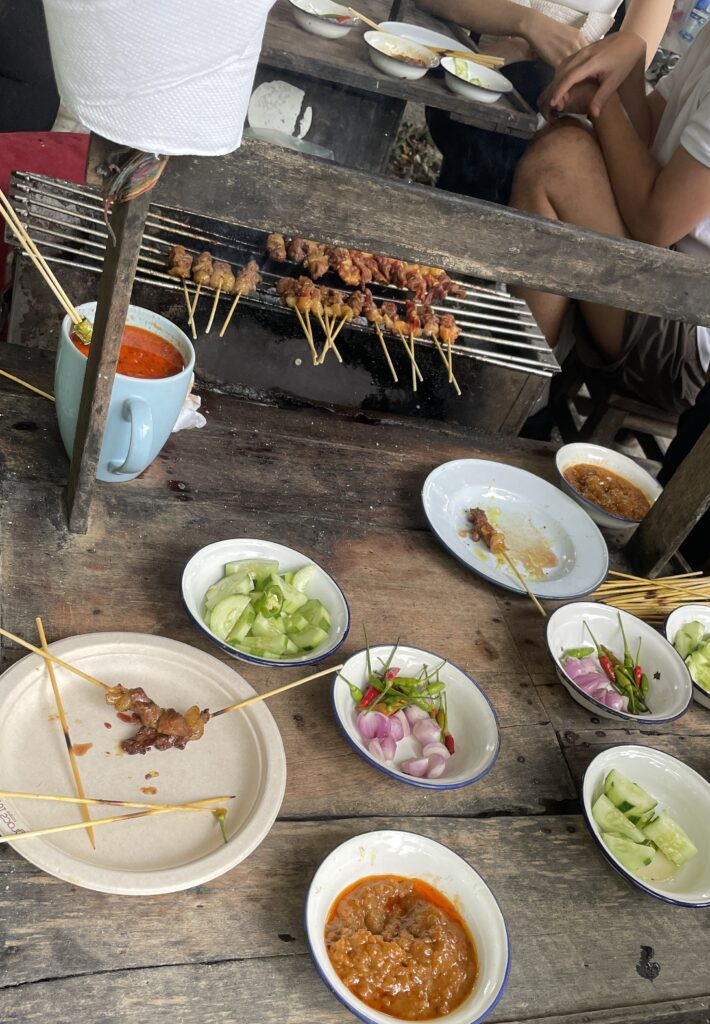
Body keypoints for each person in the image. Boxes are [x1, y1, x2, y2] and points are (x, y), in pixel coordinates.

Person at [509, 24, 710, 414]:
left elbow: (655, 222)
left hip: (687, 332)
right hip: (664, 276)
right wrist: (629, 62)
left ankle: (519, 402)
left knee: (561, 161)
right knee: (569, 146)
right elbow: (646, 138)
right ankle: (525, 390)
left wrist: (602, 104)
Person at [412, 0, 672, 203]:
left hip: (557, 104)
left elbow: (623, 71)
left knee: (530, 84)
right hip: (470, 80)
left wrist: (531, 53)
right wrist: (526, 23)